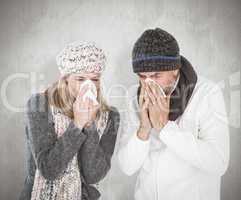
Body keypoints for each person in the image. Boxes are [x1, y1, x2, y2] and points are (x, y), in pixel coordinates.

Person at [117, 28, 229, 200]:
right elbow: (127, 167)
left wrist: (164, 127)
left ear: (175, 69)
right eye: (142, 76)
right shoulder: (134, 96)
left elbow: (218, 162)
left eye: (156, 75)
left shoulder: (207, 93)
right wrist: (144, 130)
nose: (148, 84)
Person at [19, 42, 120, 200]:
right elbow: (49, 170)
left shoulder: (111, 116)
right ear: (65, 79)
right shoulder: (39, 105)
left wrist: (89, 125)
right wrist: (77, 124)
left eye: (94, 79)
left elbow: (94, 176)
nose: (89, 86)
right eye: (80, 79)